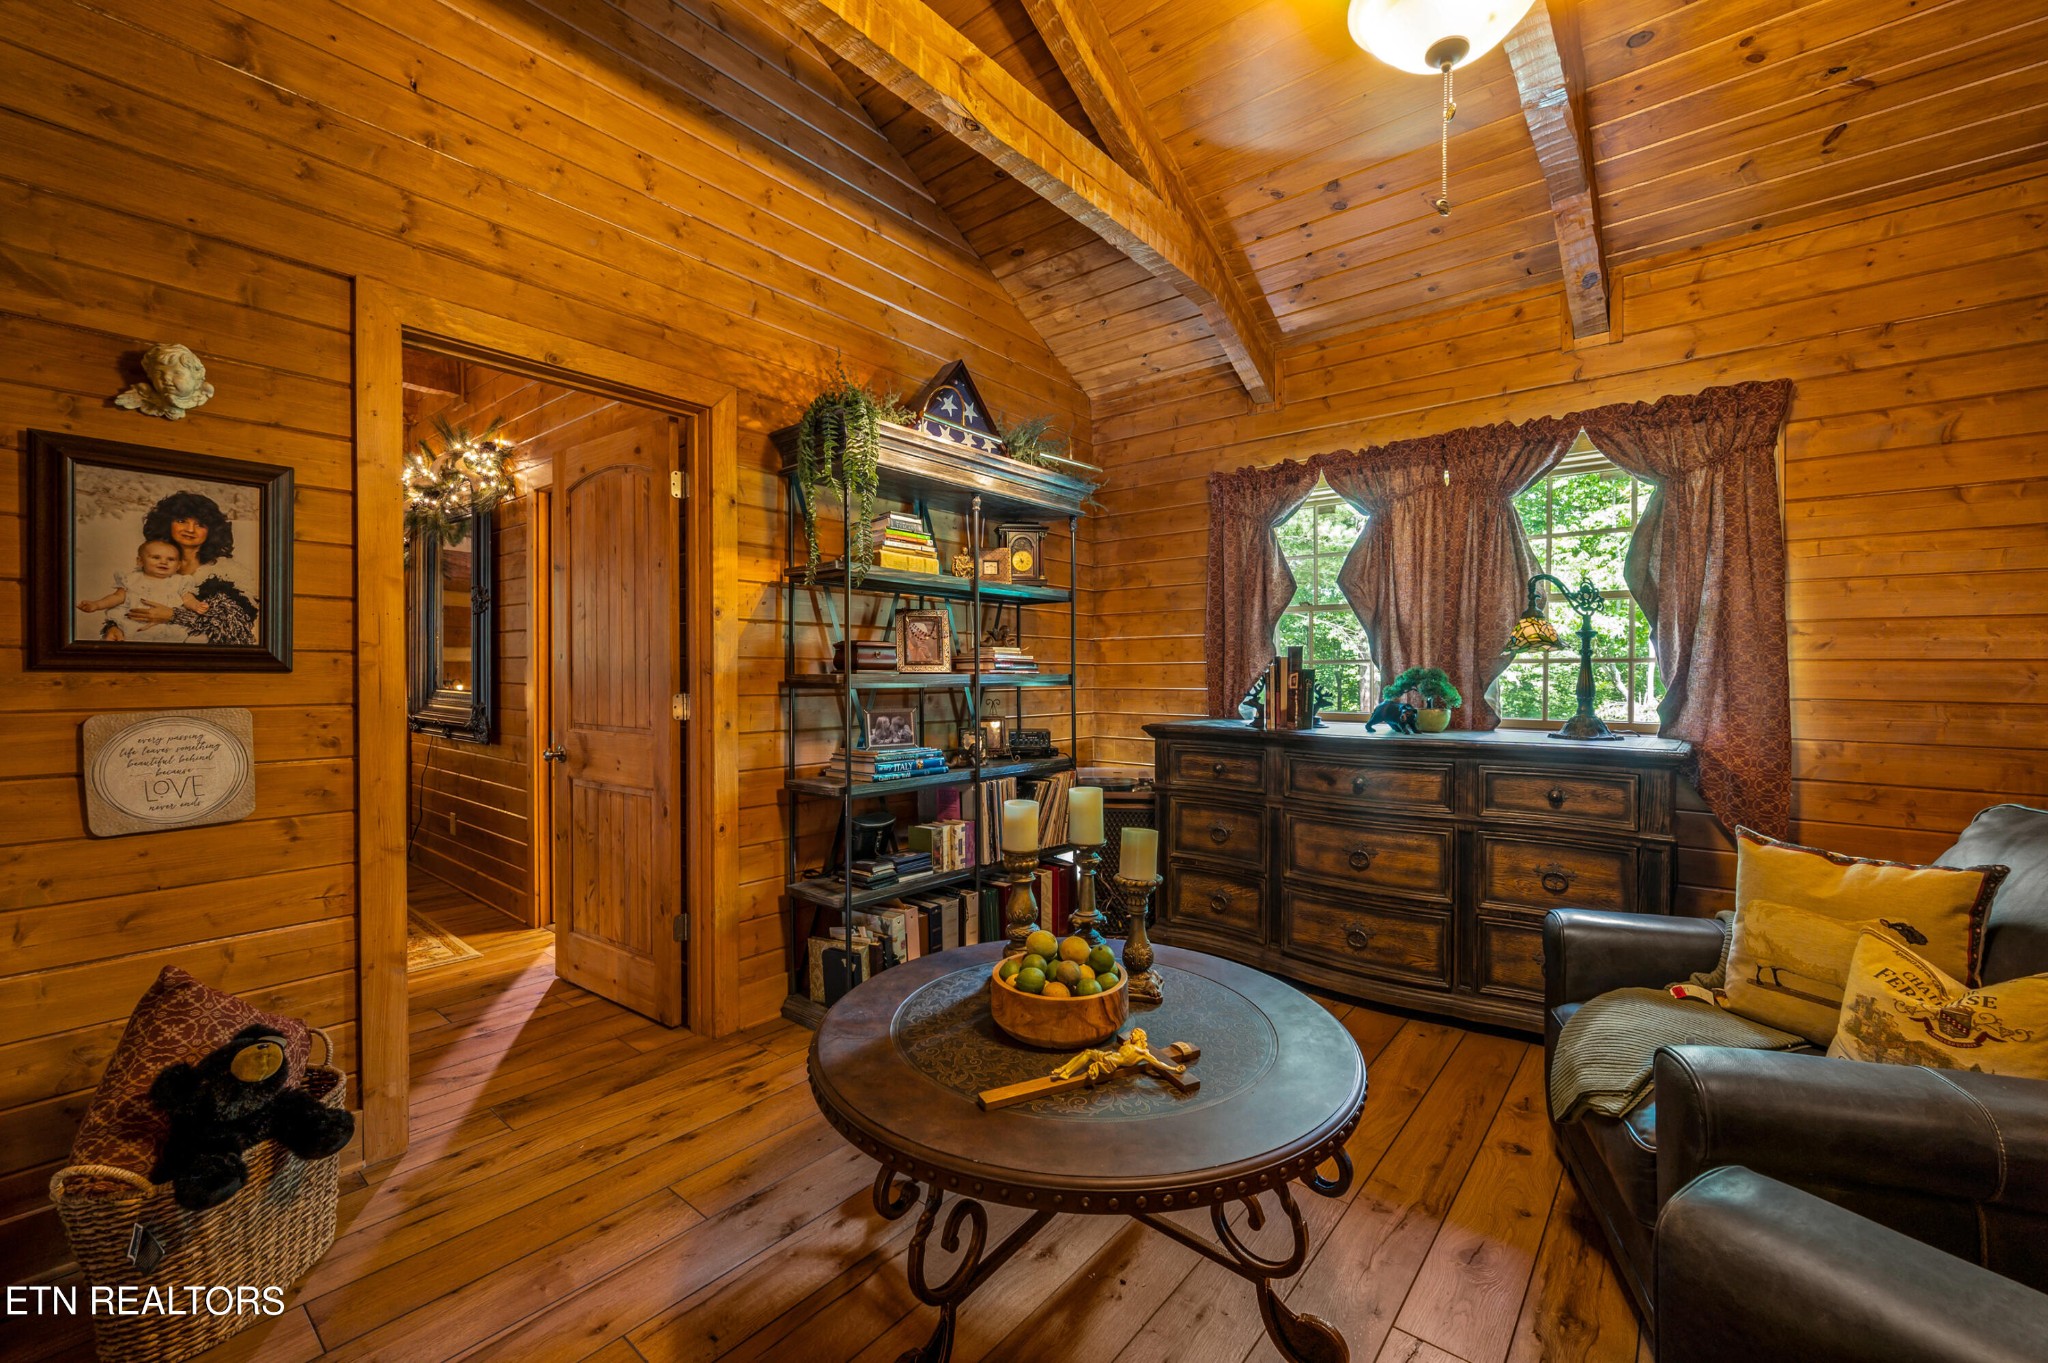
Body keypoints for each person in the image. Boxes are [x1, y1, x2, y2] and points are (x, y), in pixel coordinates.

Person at [121, 491, 260, 645]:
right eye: (182, 521)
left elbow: (235, 626)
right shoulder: (155, 566)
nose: (190, 529)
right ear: (167, 524)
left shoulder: (229, 573)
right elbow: (130, 603)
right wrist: (115, 627)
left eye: (200, 524)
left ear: (211, 531)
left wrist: (174, 615)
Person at [76, 539, 200, 641]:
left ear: (178, 565)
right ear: (140, 561)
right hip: (135, 627)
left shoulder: (180, 581)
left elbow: (188, 598)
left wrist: (196, 606)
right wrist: (96, 605)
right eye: (156, 557)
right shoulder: (131, 579)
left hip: (169, 628)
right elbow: (117, 597)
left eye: (171, 559)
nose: (164, 562)